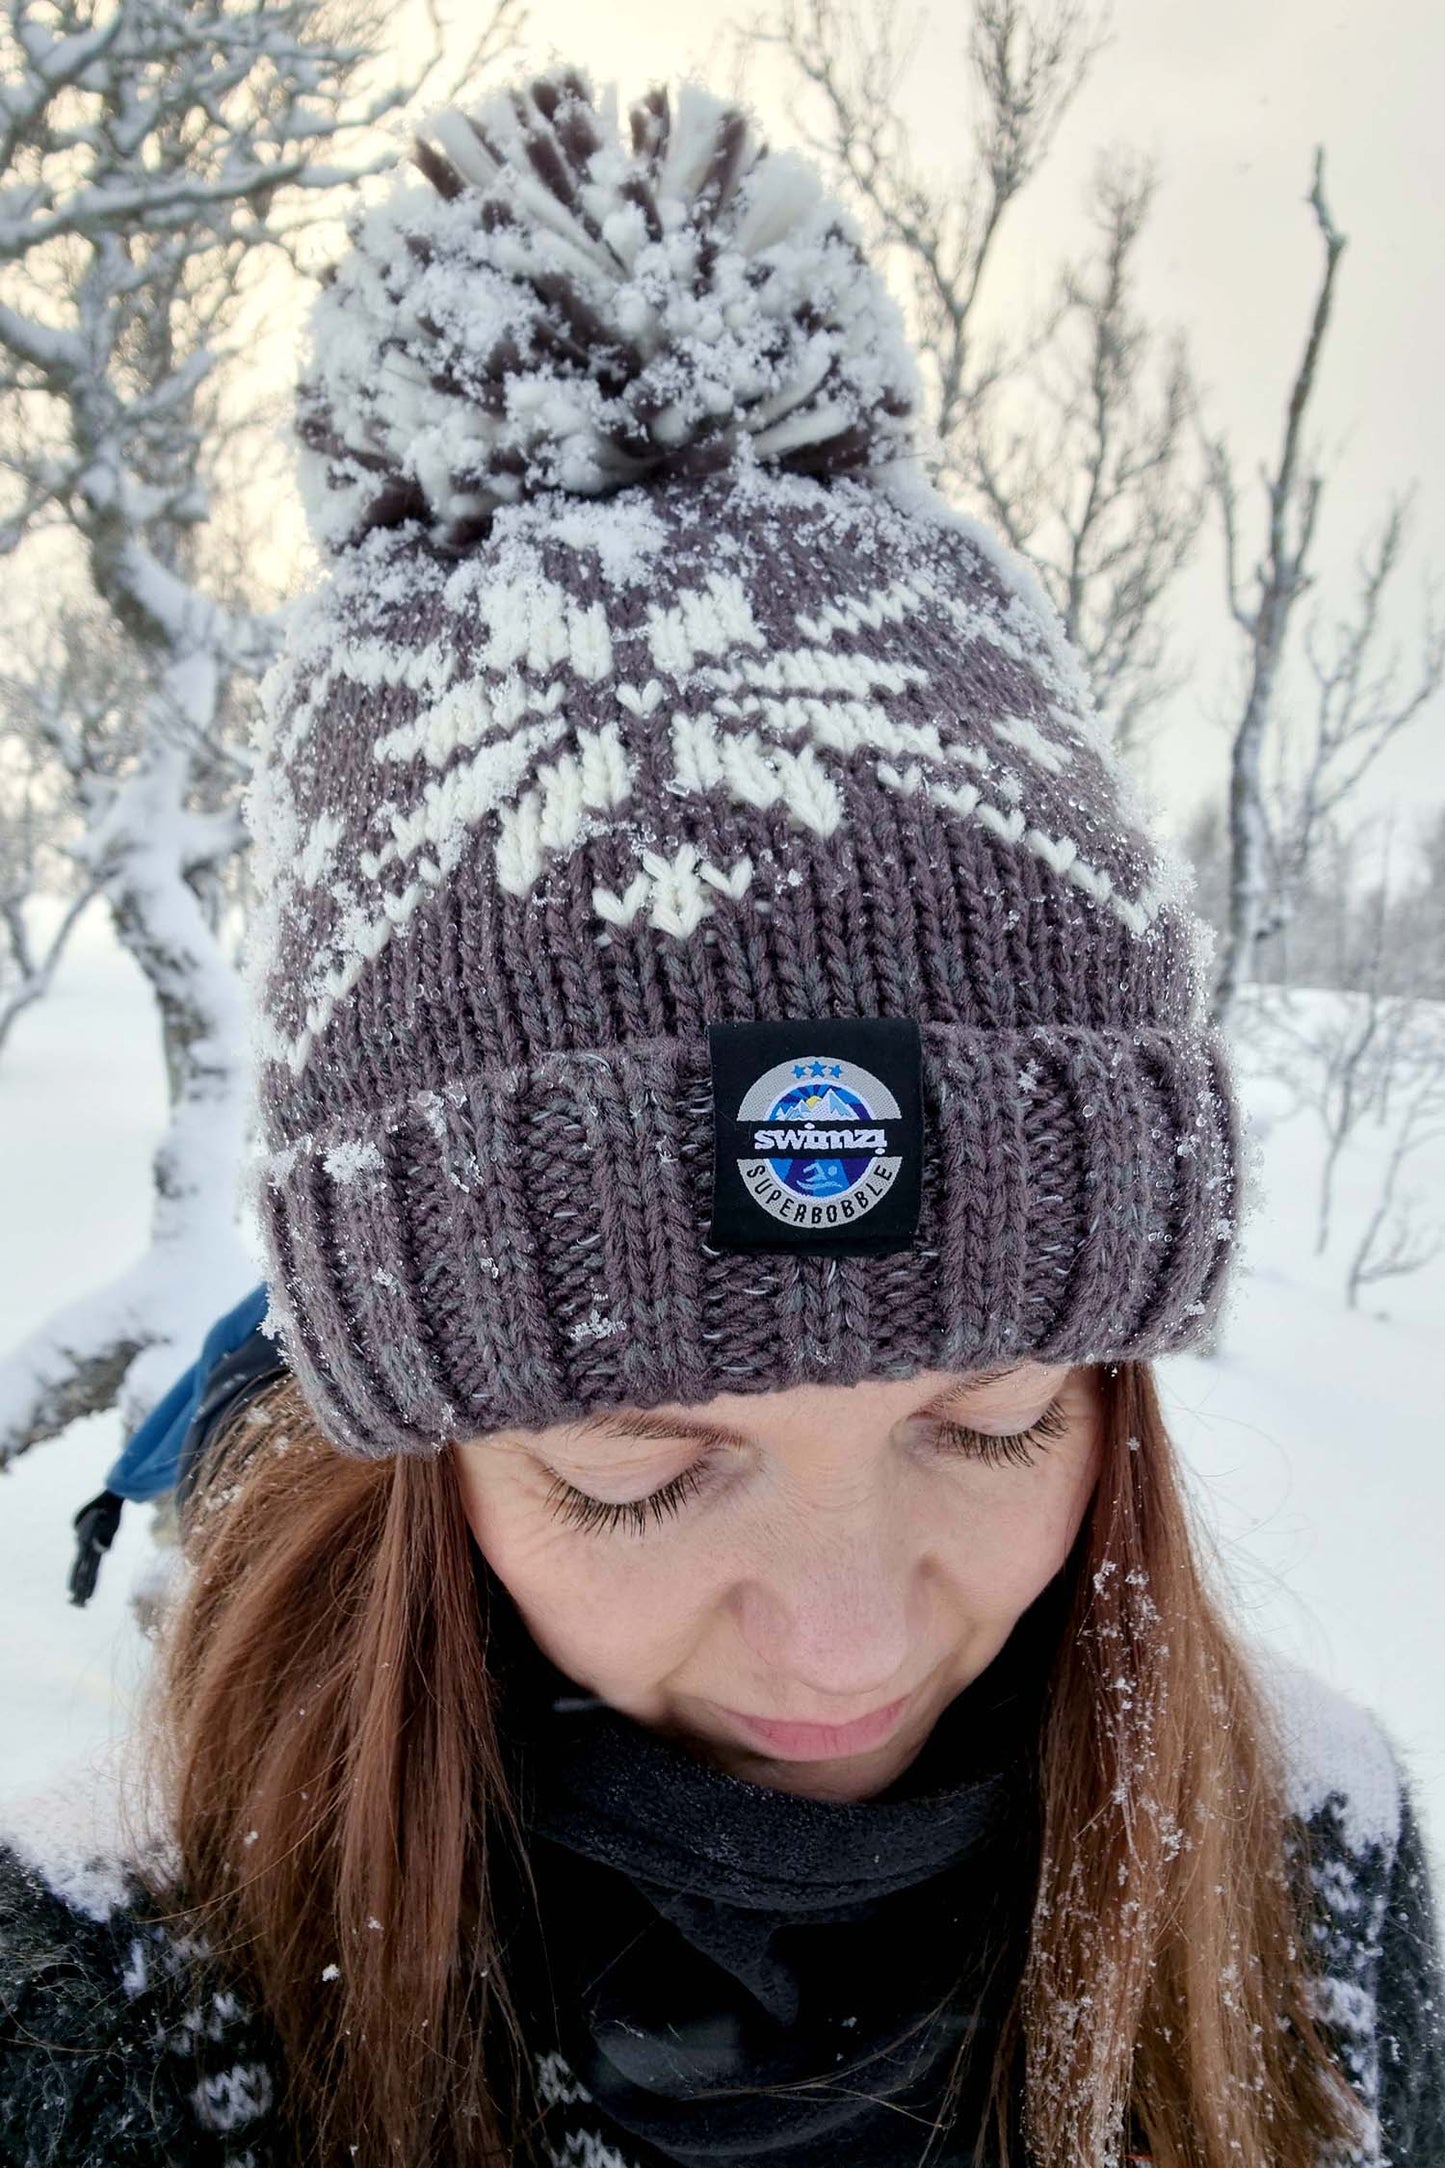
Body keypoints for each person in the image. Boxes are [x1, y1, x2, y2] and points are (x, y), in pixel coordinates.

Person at [1, 62, 1441, 2168]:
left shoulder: (1318, 1869)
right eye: (637, 1462)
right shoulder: (105, 2032)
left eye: (996, 1414)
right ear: (424, 1447)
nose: (851, 1634)